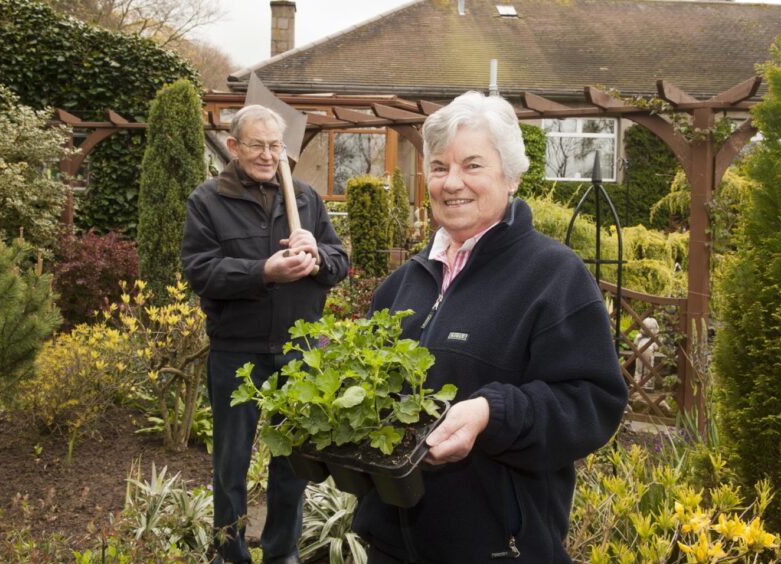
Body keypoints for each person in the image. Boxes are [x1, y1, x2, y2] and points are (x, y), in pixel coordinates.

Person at [351, 91, 628, 563]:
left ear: (512, 175)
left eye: (472, 165)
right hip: (391, 547)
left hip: (499, 549)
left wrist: (491, 414)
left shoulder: (554, 277)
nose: (452, 183)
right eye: (439, 167)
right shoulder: (402, 284)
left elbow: (593, 404)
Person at [181, 104, 349, 564]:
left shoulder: (308, 199)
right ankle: (229, 554)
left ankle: (281, 554)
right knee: (230, 465)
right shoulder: (207, 201)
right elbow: (201, 271)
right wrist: (264, 272)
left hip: (298, 352)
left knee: (292, 464)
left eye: (276, 146)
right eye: (258, 145)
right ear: (233, 146)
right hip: (237, 352)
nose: (269, 155)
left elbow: (339, 262)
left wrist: (318, 256)